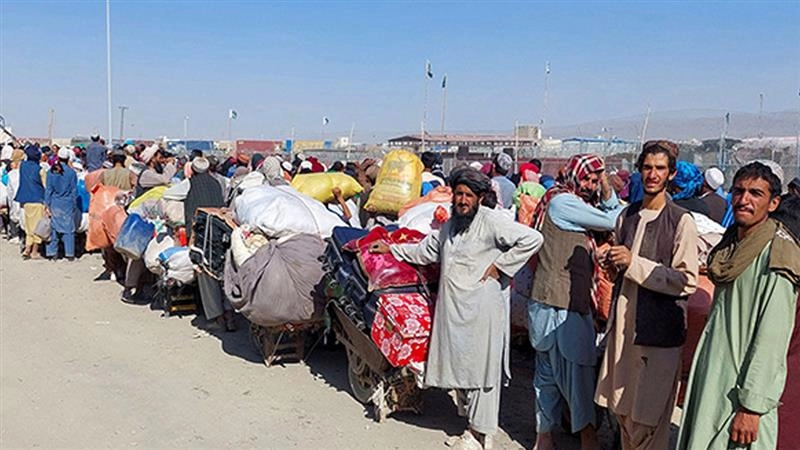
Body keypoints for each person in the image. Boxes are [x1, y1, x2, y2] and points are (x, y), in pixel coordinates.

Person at [369, 168, 543, 450]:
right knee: (464, 368)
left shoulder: (492, 222)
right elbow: (426, 250)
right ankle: (473, 429)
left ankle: (479, 435)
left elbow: (533, 239)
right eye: (459, 194)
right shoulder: (451, 225)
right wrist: (392, 249)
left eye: (468, 195)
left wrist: (500, 267)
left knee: (482, 373)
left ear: (480, 198)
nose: (462, 200)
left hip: (483, 310)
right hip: (455, 311)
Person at [678, 162, 798, 450]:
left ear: (773, 203)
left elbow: (772, 338)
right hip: (714, 380)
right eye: (740, 191)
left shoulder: (777, 255)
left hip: (740, 394)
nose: (745, 200)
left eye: (756, 193)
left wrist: (752, 406)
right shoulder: (732, 245)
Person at [595, 140, 699, 450]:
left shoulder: (681, 221)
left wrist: (634, 263)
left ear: (671, 174)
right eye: (648, 168)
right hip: (623, 333)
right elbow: (622, 272)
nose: (653, 174)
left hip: (656, 337)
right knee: (624, 416)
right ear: (639, 171)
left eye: (660, 168)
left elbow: (686, 280)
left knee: (648, 421)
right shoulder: (626, 216)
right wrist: (612, 264)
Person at [528, 154, 621, 450]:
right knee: (576, 374)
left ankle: (545, 438)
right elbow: (613, 218)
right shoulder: (564, 204)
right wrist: (608, 190)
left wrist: (603, 188)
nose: (592, 185)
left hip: (549, 300)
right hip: (561, 305)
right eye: (589, 178)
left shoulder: (561, 200)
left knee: (549, 374)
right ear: (573, 175)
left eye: (596, 180)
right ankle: (586, 438)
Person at [44, 148, 79, 260]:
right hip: (67, 203)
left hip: (55, 202)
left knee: (53, 228)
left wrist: (47, 204)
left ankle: (52, 253)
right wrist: (74, 204)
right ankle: (69, 253)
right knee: (68, 229)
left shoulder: (50, 172)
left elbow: (48, 189)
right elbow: (74, 190)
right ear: (68, 159)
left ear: (58, 158)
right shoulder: (72, 173)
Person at [14, 144, 47, 259]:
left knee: (29, 226)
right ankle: (34, 251)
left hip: (26, 200)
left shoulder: (22, 166)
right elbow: (45, 186)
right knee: (38, 227)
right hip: (38, 199)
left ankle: (27, 249)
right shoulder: (40, 170)